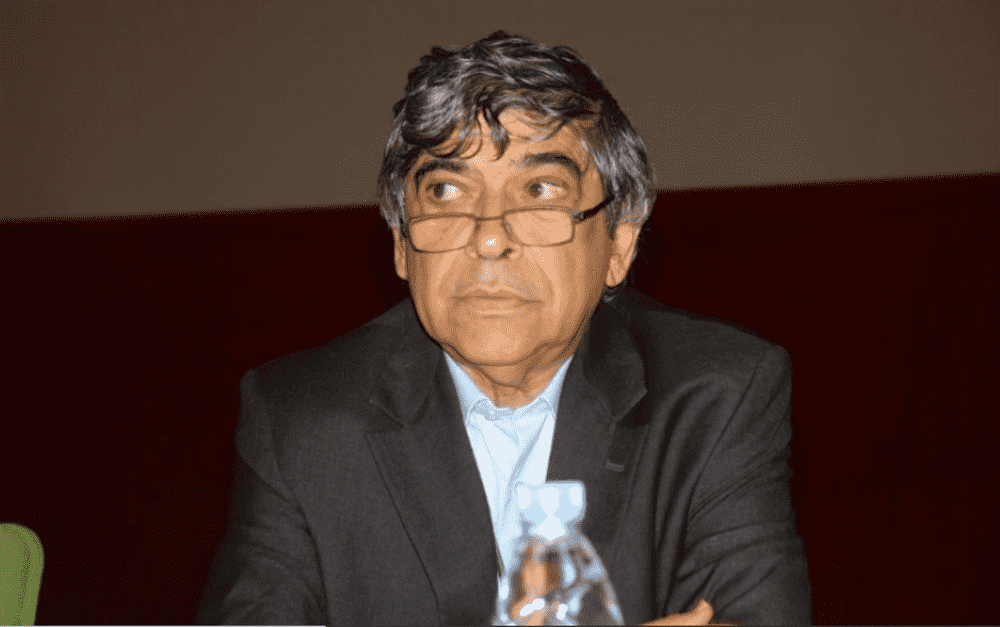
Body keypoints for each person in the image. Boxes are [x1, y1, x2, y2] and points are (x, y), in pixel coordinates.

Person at [198, 31, 811, 625]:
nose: (489, 237)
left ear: (620, 243)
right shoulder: (300, 422)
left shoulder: (717, 395)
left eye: (540, 190)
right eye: (446, 191)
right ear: (402, 243)